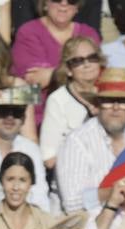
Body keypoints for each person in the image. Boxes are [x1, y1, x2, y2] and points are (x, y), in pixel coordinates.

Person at [55, 67, 125, 213]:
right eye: (108, 101)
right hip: (89, 228)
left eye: (123, 102)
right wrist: (112, 192)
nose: (115, 108)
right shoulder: (77, 141)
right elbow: (71, 204)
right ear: (97, 105)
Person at [10, 0, 100, 100]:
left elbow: (94, 76)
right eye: (57, 0)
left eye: (71, 1)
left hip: (82, 104)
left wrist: (54, 74)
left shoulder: (89, 33)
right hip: (40, 109)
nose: (64, 4)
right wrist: (77, 71)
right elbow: (34, 80)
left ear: (77, 7)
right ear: (45, 3)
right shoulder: (28, 32)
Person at [38, 34, 101, 170]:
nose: (87, 64)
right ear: (68, 70)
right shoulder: (58, 100)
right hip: (72, 175)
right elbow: (49, 158)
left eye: (92, 58)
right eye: (78, 61)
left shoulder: (109, 93)